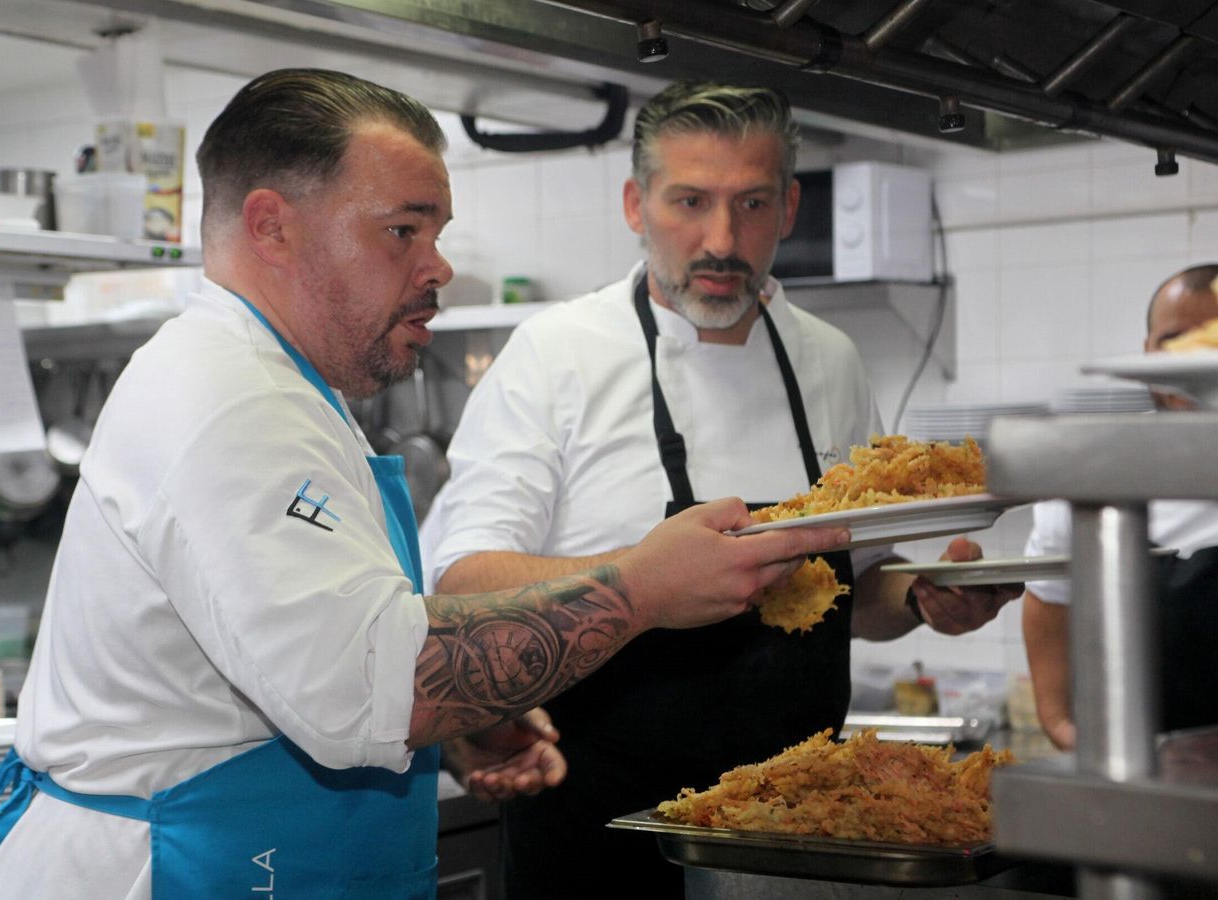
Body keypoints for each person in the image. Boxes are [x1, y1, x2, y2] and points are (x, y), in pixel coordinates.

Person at [0, 69, 849, 900]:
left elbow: (327, 651)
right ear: (271, 226)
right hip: (171, 869)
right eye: (403, 231)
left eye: (436, 233)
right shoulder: (229, 401)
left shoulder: (284, 388)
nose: (438, 266)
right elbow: (377, 687)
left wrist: (462, 720)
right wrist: (643, 586)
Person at [420, 80, 1024, 898]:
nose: (721, 239)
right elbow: (462, 585)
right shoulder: (556, 354)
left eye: (752, 204)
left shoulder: (830, 360)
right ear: (635, 205)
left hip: (796, 839)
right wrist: (644, 578)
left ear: (789, 208)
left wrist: (922, 597)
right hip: (597, 834)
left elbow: (856, 589)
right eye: (690, 202)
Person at [1022, 264, 1218, 751]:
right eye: (1174, 341)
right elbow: (1049, 600)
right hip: (1149, 780)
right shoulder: (1094, 477)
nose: (1193, 359)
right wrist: (1065, 727)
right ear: (1147, 352)